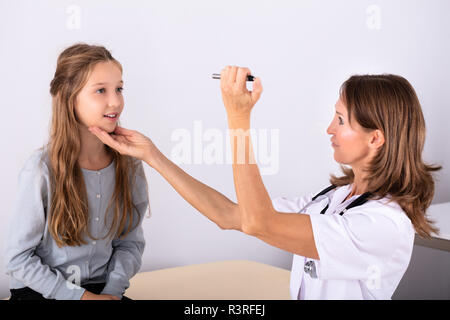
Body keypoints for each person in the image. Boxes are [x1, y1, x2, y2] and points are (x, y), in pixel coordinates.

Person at [89, 66, 441, 299]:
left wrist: (238, 117)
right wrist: (152, 156)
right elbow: (229, 215)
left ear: (375, 138)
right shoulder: (335, 199)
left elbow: (259, 223)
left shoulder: (382, 225)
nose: (330, 130)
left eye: (340, 119)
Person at [5, 43, 149, 300]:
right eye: (100, 91)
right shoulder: (41, 170)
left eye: (119, 89)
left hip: (102, 290)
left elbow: (129, 243)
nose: (115, 101)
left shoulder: (130, 165)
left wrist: (112, 293)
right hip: (42, 291)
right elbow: (17, 259)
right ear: (68, 97)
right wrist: (80, 298)